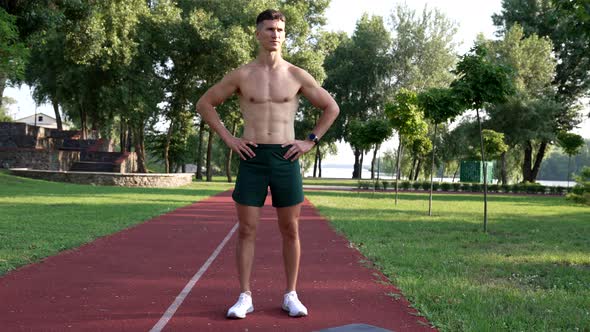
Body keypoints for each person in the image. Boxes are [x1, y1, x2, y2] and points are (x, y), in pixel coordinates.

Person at [196, 9, 339, 319]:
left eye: (280, 29)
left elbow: (331, 107)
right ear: (257, 33)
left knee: (291, 229)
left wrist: (309, 141)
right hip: (252, 157)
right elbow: (205, 104)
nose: (275, 34)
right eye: (270, 29)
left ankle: (290, 294)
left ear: (284, 34)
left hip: (286, 157)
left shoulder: (297, 75)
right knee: (247, 229)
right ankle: (244, 296)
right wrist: (230, 139)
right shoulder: (242, 75)